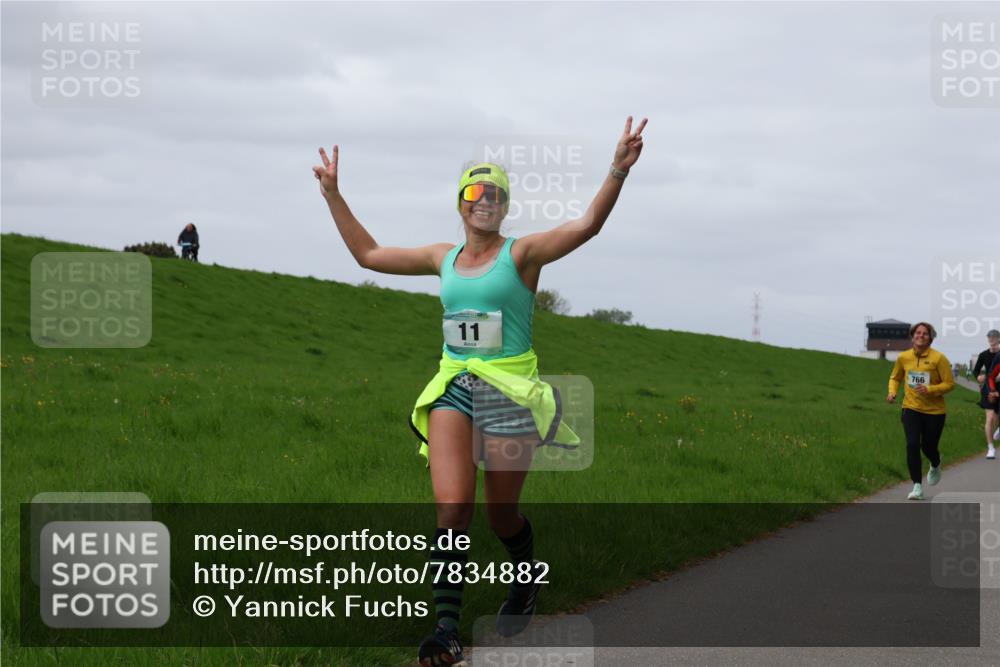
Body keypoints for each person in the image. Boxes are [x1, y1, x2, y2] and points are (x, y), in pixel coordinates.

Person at [313, 117, 647, 667]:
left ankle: (526, 582)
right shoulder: (441, 258)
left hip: (510, 393)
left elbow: (586, 225)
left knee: (501, 515)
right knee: (453, 509)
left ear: (504, 205)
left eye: (494, 193)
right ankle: (445, 631)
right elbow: (368, 255)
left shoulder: (523, 255)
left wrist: (617, 169)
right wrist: (333, 194)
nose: (484, 200)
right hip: (454, 388)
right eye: (474, 191)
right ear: (461, 202)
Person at [887, 323, 955, 500]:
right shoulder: (903, 357)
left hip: (935, 411)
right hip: (911, 408)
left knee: (928, 446)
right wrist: (892, 392)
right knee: (912, 444)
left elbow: (949, 384)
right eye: (918, 333)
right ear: (912, 336)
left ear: (930, 338)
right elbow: (895, 377)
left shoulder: (939, 359)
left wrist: (930, 389)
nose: (921, 336)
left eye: (925, 334)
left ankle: (935, 462)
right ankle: (917, 486)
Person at [972, 330, 1000, 459]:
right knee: (989, 417)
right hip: (988, 388)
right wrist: (979, 376)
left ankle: (998, 428)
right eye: (990, 337)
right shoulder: (983, 354)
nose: (992, 339)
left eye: (994, 337)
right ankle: (990, 448)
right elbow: (976, 370)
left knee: (997, 416)